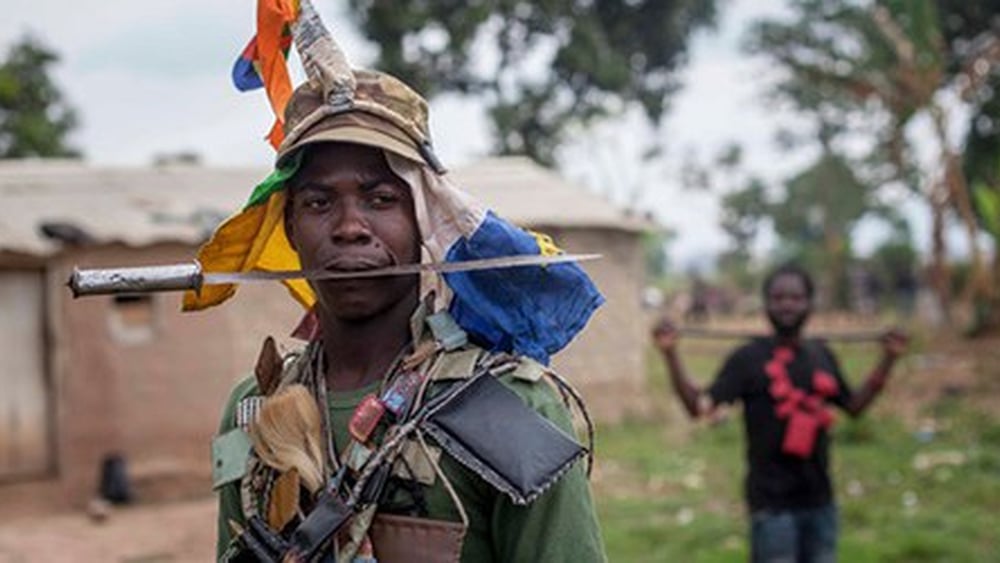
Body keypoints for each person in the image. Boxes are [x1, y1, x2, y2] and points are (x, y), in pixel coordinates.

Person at [190, 2, 606, 562]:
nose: (349, 228)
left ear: (424, 219)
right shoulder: (256, 408)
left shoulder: (503, 405)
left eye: (381, 198)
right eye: (318, 202)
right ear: (290, 226)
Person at [651, 263, 907, 563]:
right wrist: (670, 355)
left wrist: (889, 359)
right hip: (771, 506)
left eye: (796, 297)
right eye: (778, 297)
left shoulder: (822, 354)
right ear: (766, 304)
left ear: (810, 303)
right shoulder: (747, 359)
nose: (787, 304)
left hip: (820, 501)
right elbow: (698, 407)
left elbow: (854, 407)